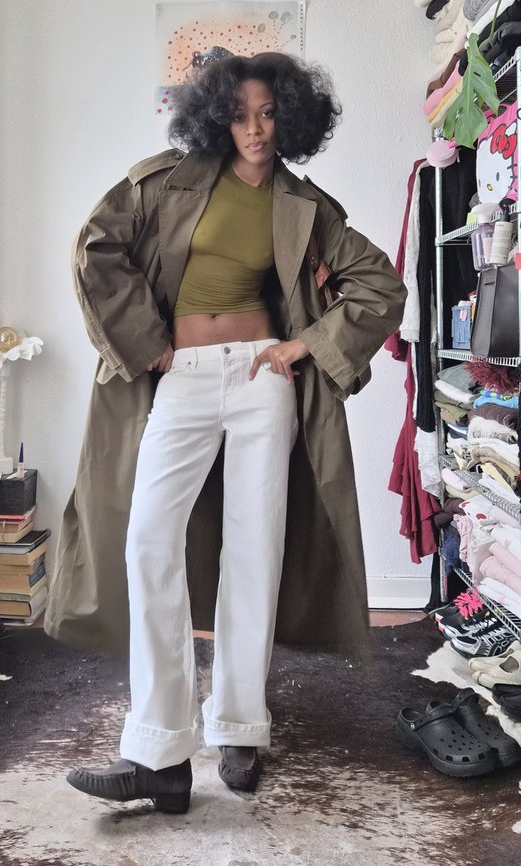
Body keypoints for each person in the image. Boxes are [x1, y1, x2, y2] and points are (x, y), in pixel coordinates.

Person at [45, 52, 406, 813]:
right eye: (241, 114)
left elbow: (379, 284)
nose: (255, 129)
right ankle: (159, 753)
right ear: (215, 115)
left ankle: (241, 727)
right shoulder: (163, 181)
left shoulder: (304, 205)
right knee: (149, 539)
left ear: (291, 117)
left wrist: (303, 346)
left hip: (261, 380)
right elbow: (94, 251)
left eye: (270, 113)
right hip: (180, 373)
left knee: (254, 548)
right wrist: (151, 344)